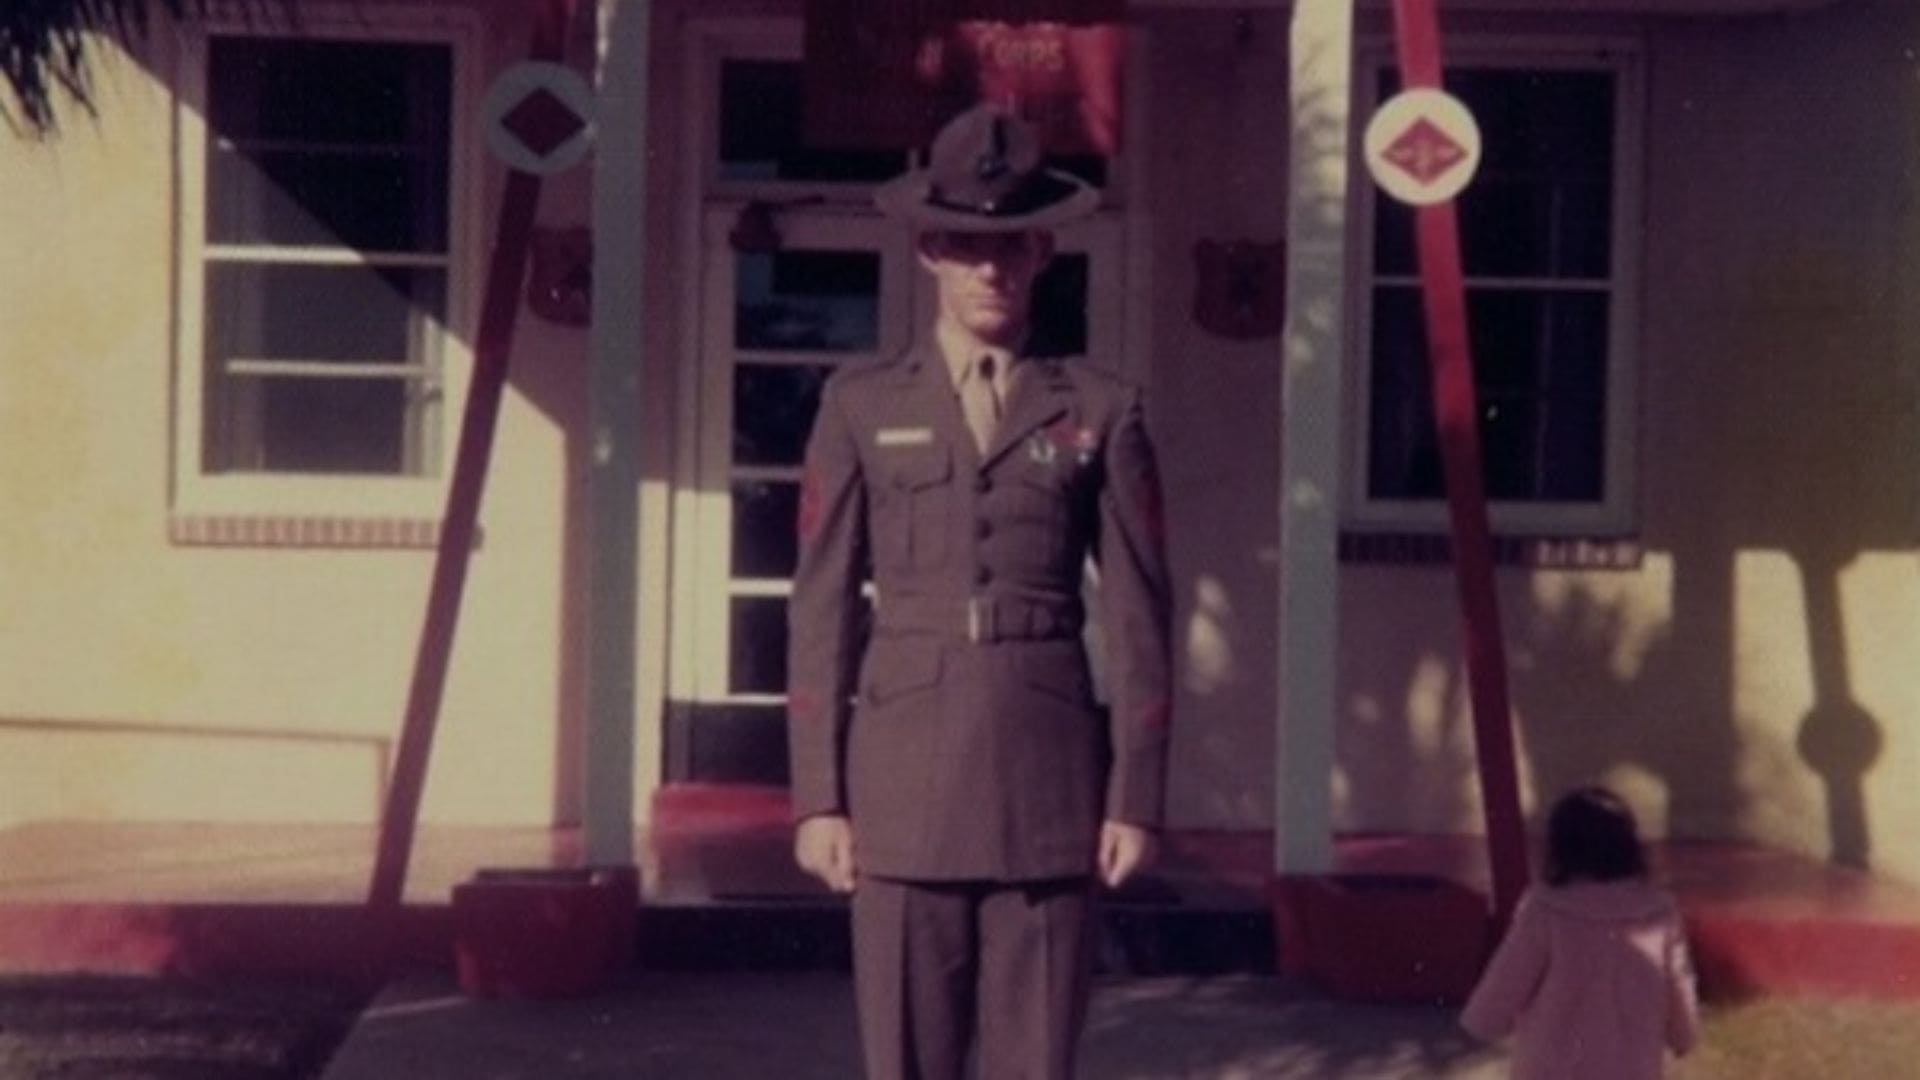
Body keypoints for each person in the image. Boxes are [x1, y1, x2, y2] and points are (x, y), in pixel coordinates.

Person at [785, 104, 1172, 1080]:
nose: (989, 268)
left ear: (1043, 249)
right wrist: (817, 800)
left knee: (1035, 1063)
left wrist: (1137, 798)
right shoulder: (861, 404)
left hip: (1049, 789)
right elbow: (822, 607)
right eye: (966, 244)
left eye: (1008, 245)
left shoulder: (1099, 408)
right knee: (908, 1063)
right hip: (902, 790)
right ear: (929, 252)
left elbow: (1138, 615)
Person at [1460, 786, 1701, 1080]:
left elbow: (1510, 975)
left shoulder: (1546, 908)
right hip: (1630, 1065)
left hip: (1552, 1065)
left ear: (1561, 847)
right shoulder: (1658, 910)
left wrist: (1484, 1021)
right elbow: (1676, 979)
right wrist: (1682, 1033)